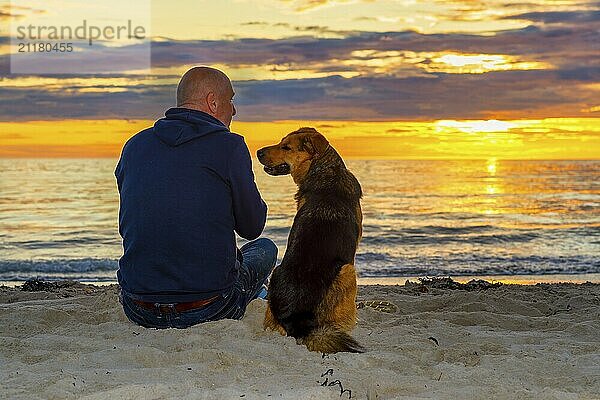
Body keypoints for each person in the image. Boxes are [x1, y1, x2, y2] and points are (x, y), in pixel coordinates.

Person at [115, 66, 277, 329]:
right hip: (209, 307)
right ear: (213, 101)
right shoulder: (230, 146)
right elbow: (252, 228)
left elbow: (135, 218)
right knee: (265, 248)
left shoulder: (134, 145)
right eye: (230, 100)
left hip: (138, 307)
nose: (234, 110)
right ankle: (255, 293)